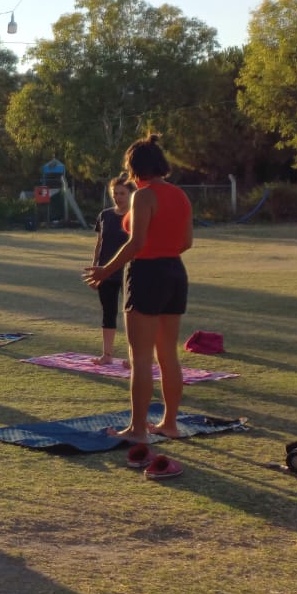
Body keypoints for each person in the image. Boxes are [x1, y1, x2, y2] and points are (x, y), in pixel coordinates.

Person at [84, 134, 193, 471]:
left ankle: (137, 429)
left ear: (134, 168)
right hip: (175, 271)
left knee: (140, 357)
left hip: (146, 273)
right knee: (168, 354)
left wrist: (105, 270)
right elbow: (187, 241)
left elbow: (137, 243)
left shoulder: (144, 196)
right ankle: (170, 424)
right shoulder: (179, 194)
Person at [92, 176, 133, 365]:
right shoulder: (105, 215)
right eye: (115, 193)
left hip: (130, 272)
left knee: (133, 316)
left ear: (131, 194)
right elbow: (99, 243)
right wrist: (96, 269)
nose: (118, 197)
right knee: (108, 313)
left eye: (122, 193)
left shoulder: (136, 216)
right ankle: (107, 355)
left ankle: (133, 357)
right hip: (106, 273)